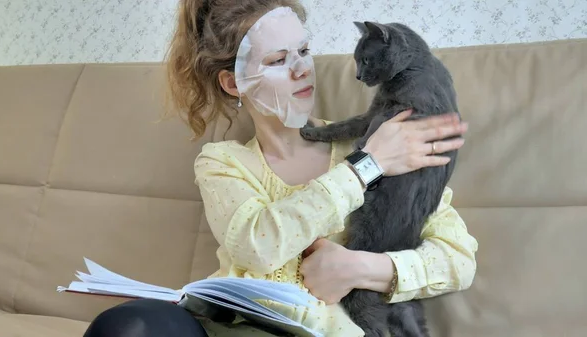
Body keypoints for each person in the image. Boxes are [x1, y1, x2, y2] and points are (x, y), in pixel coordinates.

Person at [83, 1, 478, 336]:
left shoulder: (385, 143)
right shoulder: (223, 163)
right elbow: (256, 246)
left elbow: (458, 260)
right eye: (276, 60)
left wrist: (360, 268)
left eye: (304, 51)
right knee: (126, 326)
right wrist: (365, 167)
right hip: (237, 329)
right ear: (233, 83)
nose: (301, 69)